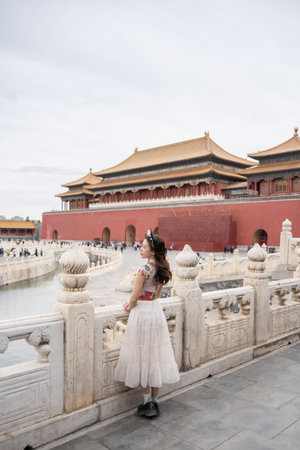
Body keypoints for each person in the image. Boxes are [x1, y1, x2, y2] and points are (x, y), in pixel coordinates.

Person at [114, 229, 180, 418]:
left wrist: (129, 305)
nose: (140, 249)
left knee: (142, 355)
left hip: (142, 314)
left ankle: (146, 402)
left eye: (143, 247)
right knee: (156, 355)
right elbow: (156, 294)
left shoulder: (143, 270)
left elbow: (134, 298)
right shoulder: (161, 269)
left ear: (152, 251)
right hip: (155, 312)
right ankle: (155, 400)